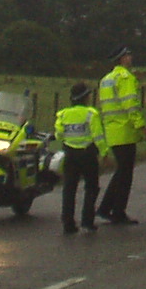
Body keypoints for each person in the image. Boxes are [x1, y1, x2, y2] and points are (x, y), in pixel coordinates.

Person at [96, 44, 146, 224]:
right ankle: (118, 211)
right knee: (125, 174)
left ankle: (106, 208)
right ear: (122, 58)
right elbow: (130, 105)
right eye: (128, 55)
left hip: (112, 131)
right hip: (125, 130)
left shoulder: (106, 79)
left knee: (121, 171)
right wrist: (141, 126)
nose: (130, 57)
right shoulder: (125, 78)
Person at [54, 81, 109, 233]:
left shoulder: (63, 114)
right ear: (85, 98)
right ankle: (87, 221)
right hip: (87, 154)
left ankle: (68, 223)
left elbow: (59, 135)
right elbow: (98, 136)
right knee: (91, 187)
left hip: (70, 155)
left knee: (69, 188)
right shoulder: (91, 114)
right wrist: (104, 152)